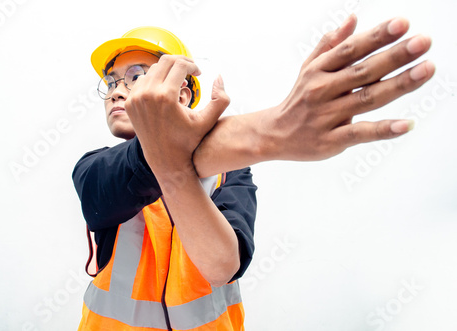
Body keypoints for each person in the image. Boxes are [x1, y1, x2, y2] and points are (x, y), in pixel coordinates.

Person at [72, 14, 433, 330]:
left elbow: (220, 264)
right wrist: (270, 130)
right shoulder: (94, 168)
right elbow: (122, 176)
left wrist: (254, 138)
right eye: (111, 80)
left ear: (182, 92)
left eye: (136, 76)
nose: (118, 91)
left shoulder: (228, 174)